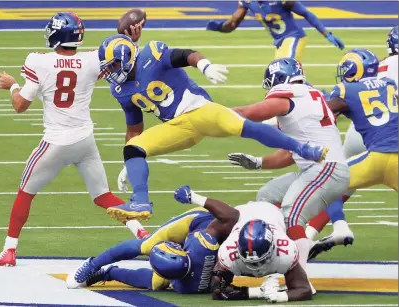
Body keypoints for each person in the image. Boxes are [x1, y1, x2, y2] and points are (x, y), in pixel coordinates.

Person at [97, 34, 327, 223]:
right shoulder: (121, 90)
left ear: (126, 56)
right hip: (178, 127)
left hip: (199, 110)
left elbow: (185, 55)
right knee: (133, 148)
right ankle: (141, 201)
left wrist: (205, 65)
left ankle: (304, 148)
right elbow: (134, 127)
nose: (112, 71)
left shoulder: (152, 54)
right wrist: (132, 163)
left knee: (244, 127)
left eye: (114, 64)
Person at [0, 12, 147, 267]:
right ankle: (142, 233)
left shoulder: (39, 62)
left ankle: (9, 250)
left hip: (56, 143)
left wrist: (13, 85)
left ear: (56, 35)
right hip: (85, 140)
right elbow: (124, 64)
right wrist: (134, 43)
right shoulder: (92, 60)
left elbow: (19, 105)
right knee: (103, 196)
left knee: (25, 192)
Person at [228, 57, 349, 272]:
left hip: (327, 168)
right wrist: (257, 163)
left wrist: (214, 114)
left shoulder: (291, 94)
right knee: (267, 196)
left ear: (279, 78)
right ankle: (273, 249)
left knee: (292, 214)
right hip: (317, 169)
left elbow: (253, 113)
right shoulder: (308, 97)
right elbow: (289, 154)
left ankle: (298, 275)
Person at [305, 26, 399, 241]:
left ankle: (312, 233)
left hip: (362, 130)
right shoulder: (388, 80)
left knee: (336, 182)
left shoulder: (381, 66)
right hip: (391, 135)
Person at [66, 185, 240, 294]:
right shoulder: (203, 245)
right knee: (147, 248)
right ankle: (94, 265)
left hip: (202, 226)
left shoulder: (187, 283)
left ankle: (107, 271)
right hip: (196, 230)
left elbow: (230, 217)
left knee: (154, 279)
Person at [176, 187, 313, 303]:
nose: (256, 266)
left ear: (273, 247)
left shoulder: (285, 251)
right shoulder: (228, 251)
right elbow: (217, 289)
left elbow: (304, 289)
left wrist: (282, 296)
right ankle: (185, 244)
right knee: (204, 247)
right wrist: (258, 292)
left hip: (271, 211)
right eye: (252, 262)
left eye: (260, 261)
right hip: (240, 214)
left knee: (294, 223)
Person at [206, 1, 344, 60]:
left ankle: (322, 102)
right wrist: (219, 27)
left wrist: (327, 34)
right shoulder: (248, 2)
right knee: (282, 78)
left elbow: (306, 13)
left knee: (287, 73)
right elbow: (233, 23)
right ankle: (322, 100)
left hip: (294, 37)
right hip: (280, 42)